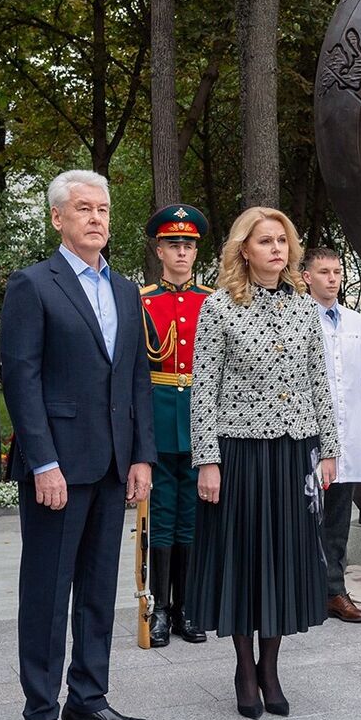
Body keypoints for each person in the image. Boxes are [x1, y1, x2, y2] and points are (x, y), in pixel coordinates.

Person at [1, 170, 156, 720]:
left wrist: (142, 455)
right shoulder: (33, 285)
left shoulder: (124, 289)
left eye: (104, 209)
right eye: (84, 209)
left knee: (97, 589)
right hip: (58, 470)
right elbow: (21, 378)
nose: (97, 218)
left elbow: (137, 377)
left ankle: (88, 699)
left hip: (114, 464)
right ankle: (40, 713)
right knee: (47, 591)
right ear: (57, 218)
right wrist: (43, 463)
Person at [187, 208, 340, 720]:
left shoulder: (303, 308)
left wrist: (330, 449)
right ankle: (243, 668)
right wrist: (207, 460)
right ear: (243, 251)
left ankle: (270, 665)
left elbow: (320, 381)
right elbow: (203, 389)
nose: (276, 248)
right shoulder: (219, 307)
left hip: (294, 450)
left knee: (284, 556)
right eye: (265, 241)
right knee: (243, 557)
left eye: (282, 240)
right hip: (239, 453)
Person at [139, 203, 212, 647]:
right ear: (160, 250)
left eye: (188, 245)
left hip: (200, 420)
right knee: (162, 516)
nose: (182, 253)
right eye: (174, 245)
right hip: (160, 415)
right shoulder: (143, 301)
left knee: (193, 518)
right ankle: (160, 609)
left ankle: (188, 607)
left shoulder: (212, 302)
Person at [300, 247, 361, 624]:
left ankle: (335, 590)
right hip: (307, 439)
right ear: (306, 277)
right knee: (303, 516)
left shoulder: (357, 324)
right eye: (324, 272)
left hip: (348, 436)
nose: (332, 278)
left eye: (337, 272)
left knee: (337, 519)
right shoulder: (295, 319)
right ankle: (301, 590)